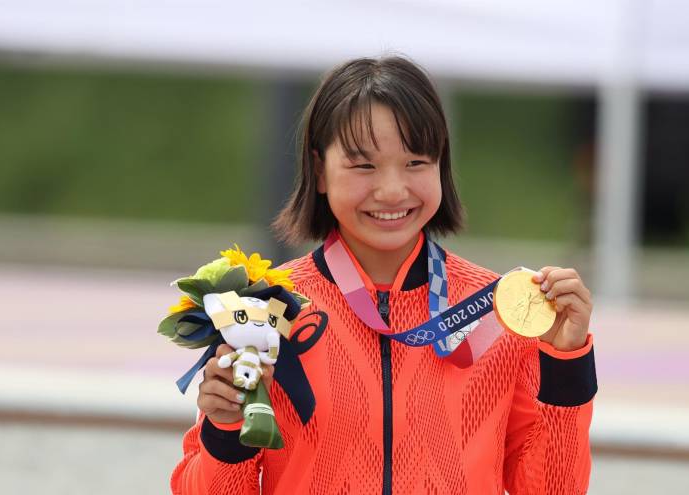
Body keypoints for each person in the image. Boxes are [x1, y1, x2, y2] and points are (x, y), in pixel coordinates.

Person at [171, 55, 597, 494]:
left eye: (416, 162)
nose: (392, 190)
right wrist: (225, 431)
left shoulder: (498, 311)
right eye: (363, 166)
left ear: (441, 165)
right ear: (320, 171)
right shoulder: (268, 311)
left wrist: (567, 365)